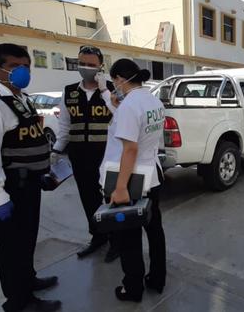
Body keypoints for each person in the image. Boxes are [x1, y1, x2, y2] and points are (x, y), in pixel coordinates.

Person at [0, 44, 61, 312]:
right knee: (11, 249)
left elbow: (31, 138)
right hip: (8, 190)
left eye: (26, 66)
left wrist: (43, 172)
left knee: (27, 240)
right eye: (14, 67)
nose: (21, 72)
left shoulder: (22, 98)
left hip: (30, 184)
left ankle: (28, 281)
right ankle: (19, 302)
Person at [101, 59, 166, 302]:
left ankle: (133, 288)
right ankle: (157, 278)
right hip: (152, 175)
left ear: (119, 79)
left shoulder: (130, 106)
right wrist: (116, 105)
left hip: (130, 180)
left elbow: (130, 149)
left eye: (114, 81)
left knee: (128, 237)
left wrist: (119, 188)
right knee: (155, 230)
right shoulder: (153, 100)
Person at [51, 45, 119, 262]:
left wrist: (104, 91)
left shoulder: (112, 90)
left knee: (111, 199)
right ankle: (98, 236)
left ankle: (116, 242)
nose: (86, 68)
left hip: (107, 155)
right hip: (80, 155)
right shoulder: (69, 91)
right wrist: (56, 150)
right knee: (89, 199)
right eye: (82, 64)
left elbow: (122, 116)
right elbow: (64, 125)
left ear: (100, 66)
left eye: (91, 65)